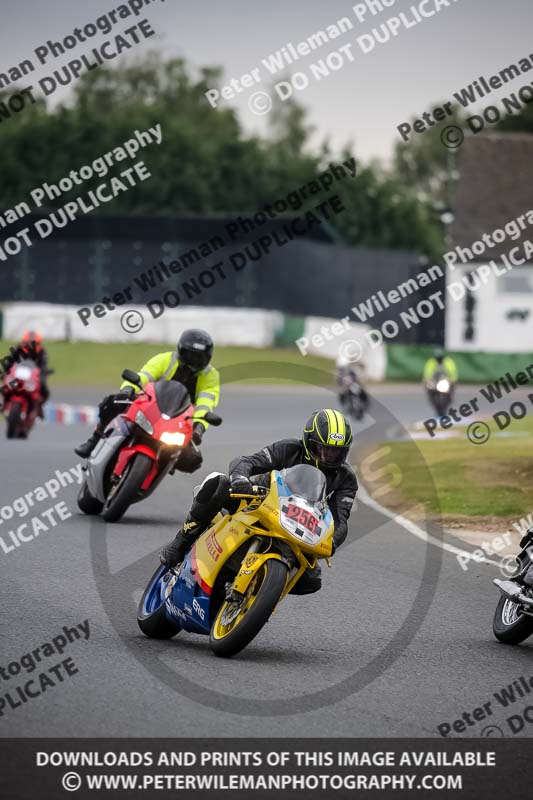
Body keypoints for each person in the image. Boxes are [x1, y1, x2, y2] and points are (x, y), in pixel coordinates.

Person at [160, 408, 358, 595]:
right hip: (259, 500)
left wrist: (330, 542)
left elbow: (340, 520)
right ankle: (182, 540)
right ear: (308, 441)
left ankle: (259, 592)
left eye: (336, 452)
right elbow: (247, 461)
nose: (328, 456)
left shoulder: (346, 478)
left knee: (312, 581)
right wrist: (240, 479)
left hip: (299, 525)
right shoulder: (289, 448)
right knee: (217, 482)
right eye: (322, 448)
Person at [75, 329, 219, 473]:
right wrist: (127, 390)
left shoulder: (210, 375)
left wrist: (199, 427)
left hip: (179, 419)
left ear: (207, 359)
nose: (192, 362)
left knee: (192, 460)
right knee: (112, 403)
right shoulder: (165, 359)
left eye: (198, 358)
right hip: (148, 405)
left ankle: (165, 462)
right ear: (181, 351)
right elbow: (144, 376)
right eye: (189, 355)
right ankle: (95, 439)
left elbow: (206, 403)